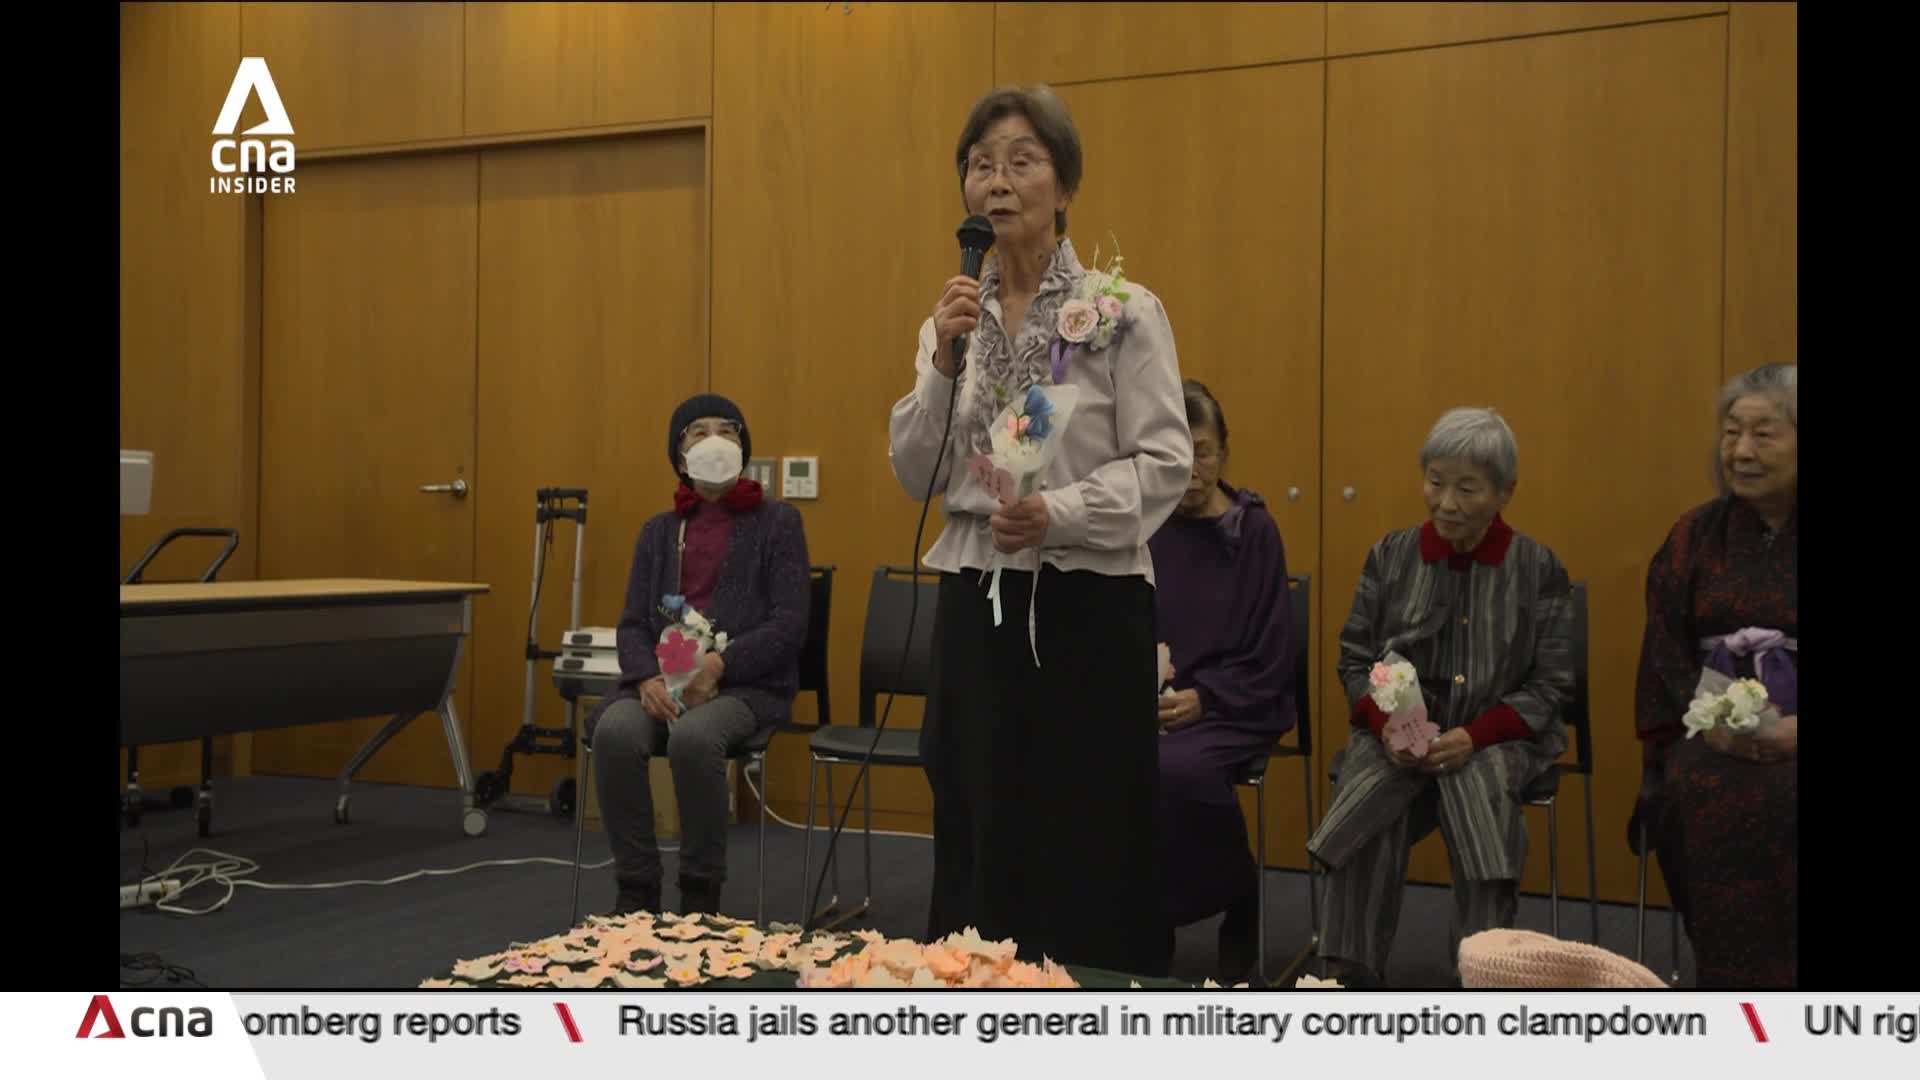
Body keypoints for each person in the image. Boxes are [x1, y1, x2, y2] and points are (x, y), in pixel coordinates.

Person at [889, 84, 1191, 977]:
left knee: (1082, 814)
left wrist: (1056, 511)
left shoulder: (1123, 310)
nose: (998, 181)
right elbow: (918, 470)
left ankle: (1094, 997)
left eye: (1022, 161)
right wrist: (942, 365)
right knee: (978, 800)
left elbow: (1165, 461)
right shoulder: (951, 321)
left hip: (1087, 605)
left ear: (1064, 188)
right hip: (977, 591)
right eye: (980, 164)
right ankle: (977, 991)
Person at [1307, 406, 1574, 988]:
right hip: (1397, 736)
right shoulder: (1391, 556)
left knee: (1480, 795)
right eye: (1435, 482)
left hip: (1494, 736)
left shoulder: (1536, 569)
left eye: (1467, 488)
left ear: (1505, 492)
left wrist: (1473, 736)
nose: (1447, 502)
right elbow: (1355, 658)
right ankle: (1346, 975)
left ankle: (1487, 976)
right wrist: (1384, 727)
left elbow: (1552, 685)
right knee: (1367, 793)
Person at [589, 393, 811, 917]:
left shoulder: (779, 524)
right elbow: (632, 624)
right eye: (698, 431)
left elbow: (789, 623)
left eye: (729, 430)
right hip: (660, 683)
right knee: (614, 733)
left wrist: (719, 667)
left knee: (692, 740)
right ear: (679, 454)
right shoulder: (658, 532)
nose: (716, 440)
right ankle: (636, 888)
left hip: (744, 687)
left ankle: (699, 893)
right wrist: (645, 678)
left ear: (744, 447)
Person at [1632, 363, 1797, 987]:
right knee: (1696, 792)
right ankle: (1728, 989)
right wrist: (1724, 721)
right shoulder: (1693, 535)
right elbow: (1667, 653)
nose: (1742, 451)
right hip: (1714, 734)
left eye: (1764, 433)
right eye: (1732, 433)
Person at [1149, 380, 1295, 983]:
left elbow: (1270, 648)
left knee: (1174, 769)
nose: (1191, 468)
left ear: (1223, 453)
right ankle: (1144, 911)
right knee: (1108, 763)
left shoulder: (1253, 532)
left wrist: (1206, 697)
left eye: (1202, 451)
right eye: (1175, 452)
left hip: (1236, 701)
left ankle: (1237, 891)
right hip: (1154, 705)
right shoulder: (1142, 527)